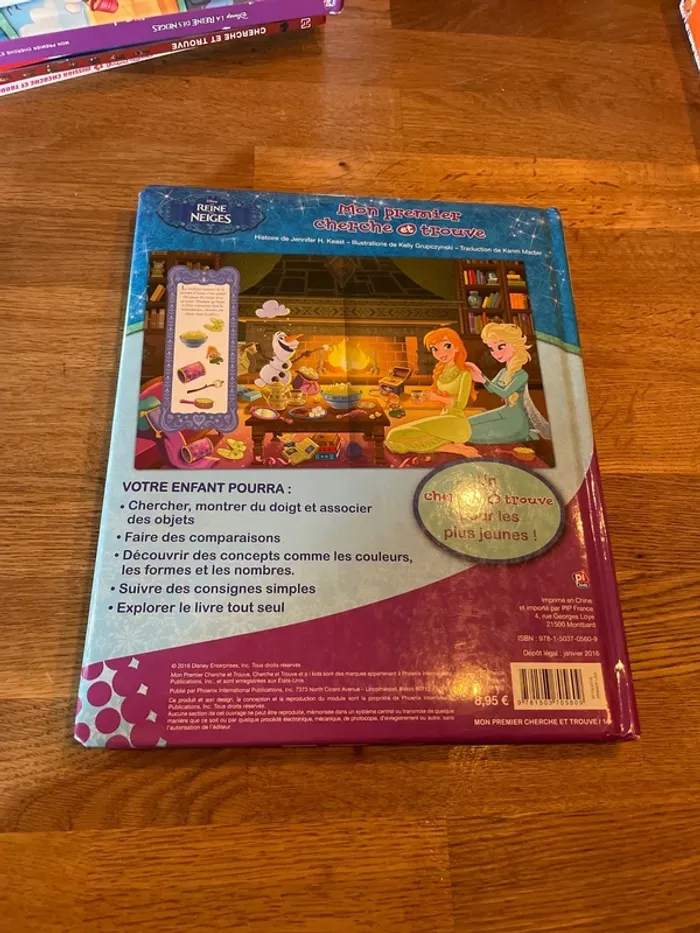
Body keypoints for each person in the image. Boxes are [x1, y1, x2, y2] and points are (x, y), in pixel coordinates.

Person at [385, 327, 480, 456]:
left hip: (457, 423)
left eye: (446, 346)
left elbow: (461, 404)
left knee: (394, 436)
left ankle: (455, 449)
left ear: (457, 347)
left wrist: (437, 398)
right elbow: (440, 396)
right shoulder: (441, 371)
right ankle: (455, 447)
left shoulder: (465, 374)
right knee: (397, 434)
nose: (441, 353)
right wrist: (426, 398)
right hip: (443, 417)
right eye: (435, 349)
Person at [466, 321, 550, 444]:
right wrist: (480, 374)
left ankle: (525, 434)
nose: (496, 353)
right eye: (491, 349)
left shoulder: (521, 374)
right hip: (504, 412)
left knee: (470, 435)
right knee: (465, 424)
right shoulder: (503, 371)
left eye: (501, 347)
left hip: (517, 423)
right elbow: (491, 389)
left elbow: (505, 393)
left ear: (514, 345)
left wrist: (483, 380)